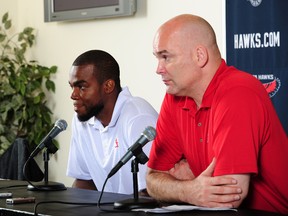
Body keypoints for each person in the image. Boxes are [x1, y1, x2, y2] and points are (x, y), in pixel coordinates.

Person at [146, 14, 288, 214]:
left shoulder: (239, 92)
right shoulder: (175, 96)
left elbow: (228, 197)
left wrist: (178, 185)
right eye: (158, 58)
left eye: (166, 57)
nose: (158, 69)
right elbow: (153, 179)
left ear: (199, 56)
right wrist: (190, 189)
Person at [66, 50, 158, 194]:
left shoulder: (137, 117)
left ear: (108, 86)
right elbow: (84, 181)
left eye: (82, 87)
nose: (73, 95)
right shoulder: (81, 121)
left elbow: (151, 191)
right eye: (72, 87)